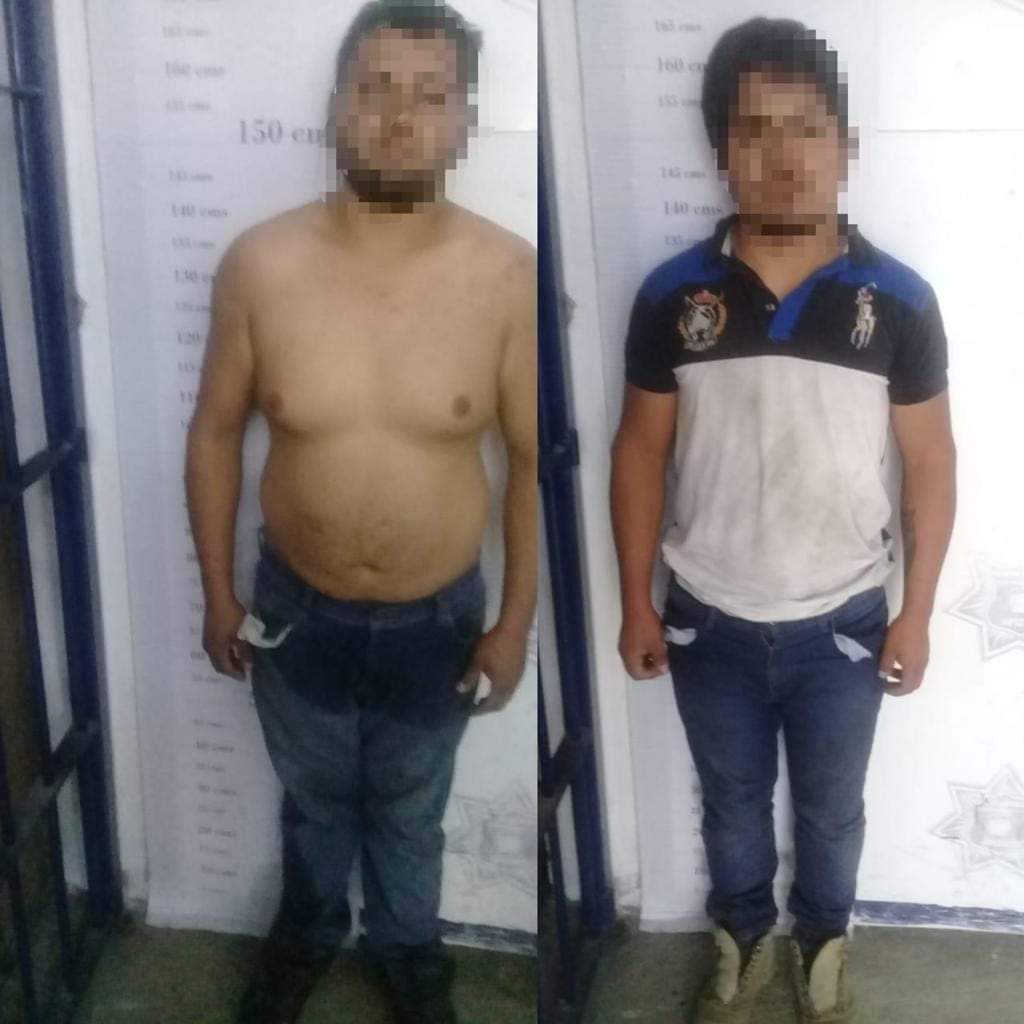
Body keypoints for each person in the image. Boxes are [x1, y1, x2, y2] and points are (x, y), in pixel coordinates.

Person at [184, 3, 537, 1022]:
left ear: (464, 122)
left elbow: (529, 463)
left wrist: (513, 623)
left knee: (411, 812)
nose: (399, 117)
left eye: (430, 95)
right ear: (337, 107)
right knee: (313, 805)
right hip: (296, 612)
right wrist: (217, 592)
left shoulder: (508, 275)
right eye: (375, 89)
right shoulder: (260, 264)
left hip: (439, 621)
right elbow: (214, 433)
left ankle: (409, 953)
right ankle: (304, 936)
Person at [610, 18, 955, 1024]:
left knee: (831, 812)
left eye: (806, 127)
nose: (783, 154)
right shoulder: (673, 295)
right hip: (706, 619)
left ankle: (823, 944)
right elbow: (639, 450)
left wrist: (916, 612)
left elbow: (930, 461)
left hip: (843, 624)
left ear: (846, 145)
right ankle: (742, 941)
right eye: (754, 129)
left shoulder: (897, 301)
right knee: (730, 804)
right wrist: (636, 602)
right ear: (721, 151)